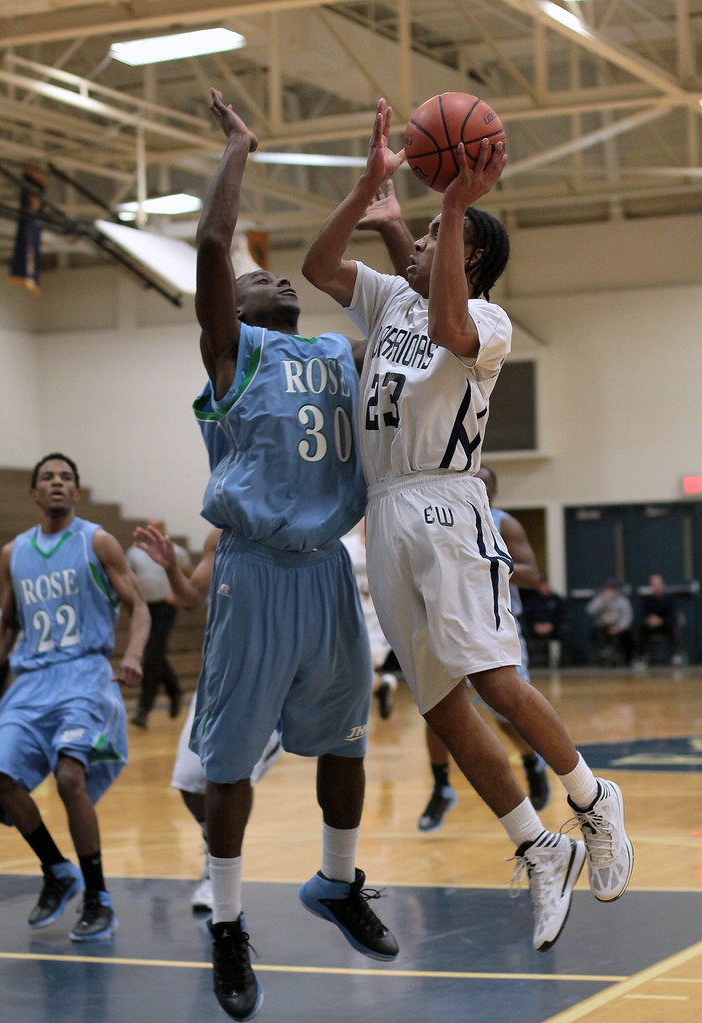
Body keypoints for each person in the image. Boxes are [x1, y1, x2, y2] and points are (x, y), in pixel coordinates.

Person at [301, 98, 633, 953]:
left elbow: (446, 319)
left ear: (468, 250)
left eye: (430, 238)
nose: (406, 241)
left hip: (446, 505)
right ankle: (537, 843)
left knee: (490, 678)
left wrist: (446, 207)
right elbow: (315, 261)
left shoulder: (486, 321)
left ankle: (592, 798)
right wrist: (370, 187)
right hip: (385, 511)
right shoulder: (384, 307)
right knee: (440, 708)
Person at [191, 91, 398, 1021]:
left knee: (343, 742)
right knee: (230, 765)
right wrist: (240, 146)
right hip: (255, 571)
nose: (271, 279)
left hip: (327, 572)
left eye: (279, 279)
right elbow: (211, 246)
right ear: (229, 312)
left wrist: (383, 215)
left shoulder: (337, 353)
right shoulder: (233, 358)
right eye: (254, 279)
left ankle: (337, 878)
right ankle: (228, 923)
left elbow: (410, 326)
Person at [0, 453, 150, 941]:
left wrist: (134, 653)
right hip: (31, 681)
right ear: (35, 493)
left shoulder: (97, 541)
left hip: (83, 675)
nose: (57, 483)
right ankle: (57, 870)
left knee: (70, 776)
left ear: (76, 491)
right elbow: (9, 626)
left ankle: (97, 894)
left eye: (66, 478)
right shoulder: (14, 552)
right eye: (48, 479)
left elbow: (138, 606)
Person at [131, 522, 282, 914]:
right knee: (188, 781)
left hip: (271, 681)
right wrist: (169, 570)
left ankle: (220, 872)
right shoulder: (220, 535)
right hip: (218, 680)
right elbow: (192, 597)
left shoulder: (292, 528)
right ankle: (217, 840)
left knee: (228, 778)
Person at [417, 464, 550, 832]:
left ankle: (532, 763)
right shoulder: (442, 518)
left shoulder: (503, 523)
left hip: (494, 625)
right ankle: (441, 785)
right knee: (438, 709)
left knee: (508, 715)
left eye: (485, 487)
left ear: (493, 493)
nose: (478, 491)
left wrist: (488, 563)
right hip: (447, 625)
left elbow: (532, 574)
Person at [126, 518, 192, 728]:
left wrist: (178, 596)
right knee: (153, 657)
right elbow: (128, 577)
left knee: (152, 654)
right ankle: (173, 690)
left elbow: (191, 577)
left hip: (166, 607)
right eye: (150, 526)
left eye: (157, 527)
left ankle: (144, 710)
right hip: (145, 609)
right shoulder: (135, 552)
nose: (152, 529)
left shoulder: (177, 552)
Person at [342, 521, 398, 719]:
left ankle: (352, 720)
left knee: (359, 670)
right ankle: (382, 686)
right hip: (349, 622)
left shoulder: (389, 551)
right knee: (349, 673)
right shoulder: (344, 548)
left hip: (377, 624)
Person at [635, 573, 682, 666]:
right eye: (653, 585)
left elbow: (673, 615)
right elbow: (642, 614)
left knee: (675, 626)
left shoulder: (670, 599)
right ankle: (641, 657)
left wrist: (661, 620)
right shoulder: (646, 599)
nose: (656, 587)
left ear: (662, 585)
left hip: (666, 625)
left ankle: (676, 655)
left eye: (658, 584)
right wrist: (650, 620)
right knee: (641, 628)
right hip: (651, 626)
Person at [586, 578, 634, 666]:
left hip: (617, 627)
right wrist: (602, 601)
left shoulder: (623, 600)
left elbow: (627, 617)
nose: (611, 591)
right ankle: (602, 656)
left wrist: (619, 628)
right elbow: (590, 610)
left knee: (629, 634)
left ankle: (626, 661)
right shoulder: (600, 599)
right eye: (609, 588)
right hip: (602, 627)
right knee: (595, 633)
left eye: (613, 589)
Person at [523, 576, 568, 668]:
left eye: (546, 585)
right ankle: (530, 662)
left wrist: (552, 625)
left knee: (565, 631)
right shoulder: (532, 600)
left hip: (553, 628)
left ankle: (563, 662)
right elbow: (526, 616)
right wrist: (534, 626)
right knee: (523, 632)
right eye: (542, 585)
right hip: (535, 628)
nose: (544, 588)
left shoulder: (557, 599)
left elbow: (563, 615)